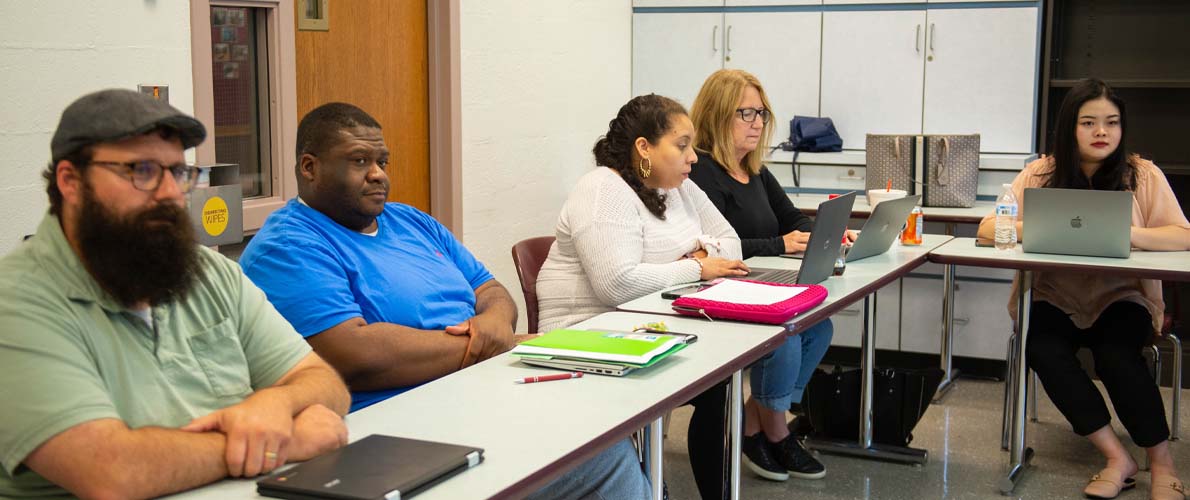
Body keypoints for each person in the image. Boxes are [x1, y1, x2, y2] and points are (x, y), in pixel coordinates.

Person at [240, 102, 651, 499]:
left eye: (383, 161)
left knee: (599, 425)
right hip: (395, 427)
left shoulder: (410, 221)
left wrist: (493, 324)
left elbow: (492, 292)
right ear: (309, 168)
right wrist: (487, 344)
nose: (378, 175)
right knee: (601, 459)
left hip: (477, 393)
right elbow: (356, 355)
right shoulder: (289, 244)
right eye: (360, 161)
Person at [0, 89, 352, 499]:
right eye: (142, 170)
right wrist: (282, 442)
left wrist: (275, 404)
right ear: (70, 181)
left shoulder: (206, 273)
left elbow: (323, 382)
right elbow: (110, 473)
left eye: (179, 172)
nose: (170, 192)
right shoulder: (18, 303)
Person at [976, 78, 1190, 500]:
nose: (1101, 132)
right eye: (1088, 122)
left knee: (1116, 356)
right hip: (1055, 296)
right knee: (1043, 348)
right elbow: (987, 228)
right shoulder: (1041, 172)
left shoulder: (1142, 174)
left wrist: (1130, 235)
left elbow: (1182, 234)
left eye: (1111, 123)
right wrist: (1035, 226)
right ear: (1069, 127)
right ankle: (1116, 457)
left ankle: (1163, 462)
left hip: (1122, 296)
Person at [535, 94, 752, 499]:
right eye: (682, 145)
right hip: (584, 339)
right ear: (644, 148)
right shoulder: (603, 189)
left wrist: (698, 256)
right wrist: (697, 266)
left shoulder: (679, 189)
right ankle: (646, 485)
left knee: (721, 381)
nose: (693, 158)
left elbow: (733, 245)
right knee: (711, 377)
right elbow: (616, 283)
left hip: (645, 328)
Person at [687, 68, 839, 484]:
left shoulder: (755, 170)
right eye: (745, 114)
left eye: (761, 113)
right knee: (787, 339)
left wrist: (827, 232)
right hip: (722, 287)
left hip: (761, 282)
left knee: (819, 328)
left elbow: (792, 219)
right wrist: (781, 244)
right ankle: (777, 431)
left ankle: (755, 422)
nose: (757, 123)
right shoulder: (701, 171)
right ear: (718, 116)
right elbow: (719, 243)